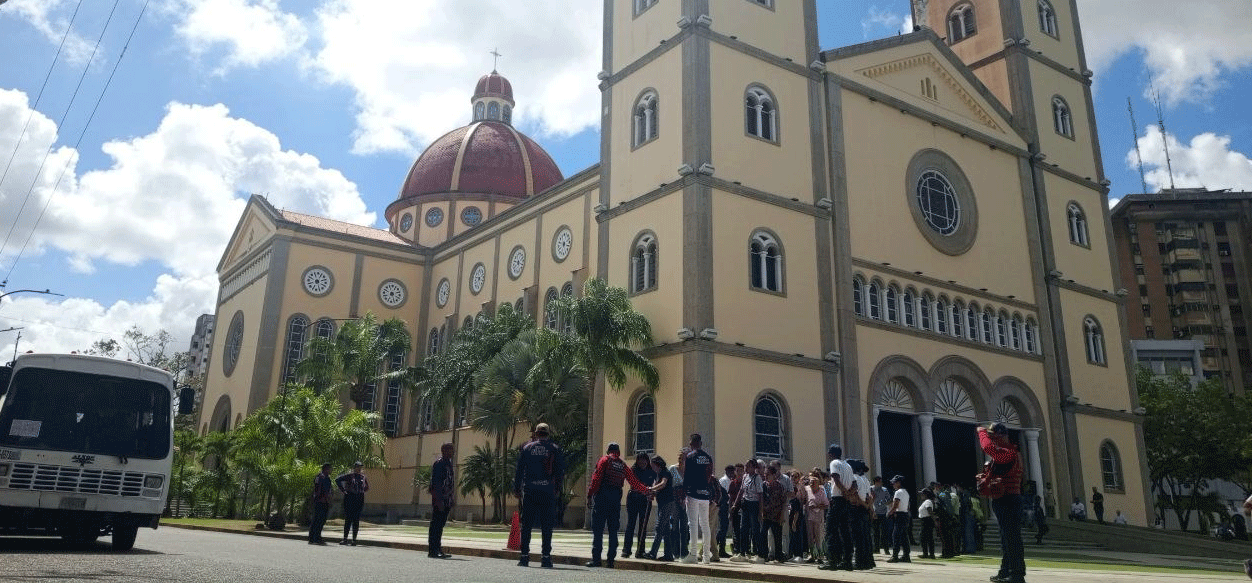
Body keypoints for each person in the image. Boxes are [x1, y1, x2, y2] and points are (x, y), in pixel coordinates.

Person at [586, 442, 653, 568]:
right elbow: (634, 482)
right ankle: (611, 560)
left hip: (602, 497)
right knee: (613, 530)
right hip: (615, 499)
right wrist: (647, 490)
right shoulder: (622, 465)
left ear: (608, 451)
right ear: (619, 452)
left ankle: (596, 560)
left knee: (598, 530)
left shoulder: (604, 460)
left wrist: (590, 495)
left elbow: (596, 478)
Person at [979, 422, 1026, 583]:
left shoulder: (1008, 453)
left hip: (1008, 499)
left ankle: (1017, 575)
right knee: (1006, 539)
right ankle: (1006, 571)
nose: (991, 440)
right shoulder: (1010, 453)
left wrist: (982, 433)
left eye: (993, 437)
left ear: (1001, 436)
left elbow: (988, 448)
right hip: (1004, 499)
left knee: (1012, 539)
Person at [514, 423, 565, 569]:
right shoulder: (554, 448)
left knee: (527, 525)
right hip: (547, 491)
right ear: (548, 433)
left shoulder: (527, 447)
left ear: (536, 433)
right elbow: (560, 471)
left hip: (530, 490)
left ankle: (524, 557)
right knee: (547, 525)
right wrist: (557, 489)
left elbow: (519, 470)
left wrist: (517, 488)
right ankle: (546, 558)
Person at [819, 444, 855, 571]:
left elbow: (836, 478)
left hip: (838, 499)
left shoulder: (834, 463)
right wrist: (849, 494)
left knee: (831, 530)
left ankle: (832, 561)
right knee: (845, 531)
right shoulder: (848, 465)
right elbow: (854, 484)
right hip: (846, 501)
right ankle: (847, 561)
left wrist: (844, 492)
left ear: (831, 454)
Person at [682, 434, 717, 564]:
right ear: (701, 443)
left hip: (693, 493)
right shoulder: (708, 458)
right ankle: (706, 557)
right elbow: (709, 476)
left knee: (692, 524)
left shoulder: (690, 456)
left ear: (692, 443)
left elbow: (687, 476)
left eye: (690, 444)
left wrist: (684, 493)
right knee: (705, 525)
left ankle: (693, 553)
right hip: (705, 494)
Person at [622, 453, 656, 559]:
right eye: (640, 460)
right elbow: (634, 484)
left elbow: (655, 484)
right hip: (634, 498)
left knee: (643, 526)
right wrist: (644, 490)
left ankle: (640, 551)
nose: (642, 462)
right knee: (631, 524)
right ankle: (626, 550)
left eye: (644, 460)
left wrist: (652, 492)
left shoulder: (651, 472)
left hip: (645, 500)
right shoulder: (633, 470)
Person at [730, 459, 763, 562]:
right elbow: (741, 491)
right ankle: (742, 553)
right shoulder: (745, 477)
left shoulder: (757, 478)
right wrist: (735, 504)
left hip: (754, 504)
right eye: (746, 466)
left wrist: (760, 511)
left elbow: (760, 494)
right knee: (743, 529)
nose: (746, 468)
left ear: (754, 467)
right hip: (745, 504)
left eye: (748, 466)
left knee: (755, 529)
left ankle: (759, 554)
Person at [428, 443, 455, 558]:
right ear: (444, 450)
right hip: (440, 500)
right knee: (436, 525)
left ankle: (438, 548)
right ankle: (433, 550)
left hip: (446, 499)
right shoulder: (439, 464)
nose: (453, 452)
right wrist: (438, 500)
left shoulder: (449, 464)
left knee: (441, 525)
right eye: (450, 450)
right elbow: (436, 484)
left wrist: (451, 498)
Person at [335, 460, 370, 546]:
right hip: (350, 498)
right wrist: (344, 490)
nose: (359, 469)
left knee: (356, 520)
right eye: (357, 467)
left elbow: (367, 487)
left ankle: (354, 540)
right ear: (354, 468)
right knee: (348, 519)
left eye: (360, 467)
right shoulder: (350, 476)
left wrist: (361, 492)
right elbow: (338, 480)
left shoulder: (362, 477)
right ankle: (345, 539)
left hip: (359, 500)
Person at [849, 459, 875, 570]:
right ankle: (868, 561)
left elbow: (856, 496)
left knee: (858, 537)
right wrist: (868, 506)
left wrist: (864, 505)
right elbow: (870, 496)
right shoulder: (864, 479)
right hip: (864, 509)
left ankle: (859, 562)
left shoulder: (854, 478)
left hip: (857, 508)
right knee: (865, 536)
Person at [759, 465, 787, 563]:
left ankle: (779, 556)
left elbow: (784, 502)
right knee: (763, 534)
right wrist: (761, 511)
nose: (766, 476)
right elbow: (761, 499)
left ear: (774, 475)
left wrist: (782, 515)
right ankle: (764, 555)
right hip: (766, 514)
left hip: (776, 515)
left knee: (777, 536)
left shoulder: (779, 486)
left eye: (768, 474)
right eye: (765, 474)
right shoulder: (763, 485)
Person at [803, 470, 828, 563]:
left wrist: (817, 506)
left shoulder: (821, 491)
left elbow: (826, 505)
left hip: (818, 517)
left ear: (818, 484)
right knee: (810, 536)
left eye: (814, 483)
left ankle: (820, 556)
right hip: (809, 517)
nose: (811, 485)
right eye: (810, 483)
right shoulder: (807, 490)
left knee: (818, 536)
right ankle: (812, 555)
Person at [886, 475, 911, 563]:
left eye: (894, 482)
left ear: (899, 483)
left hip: (899, 515)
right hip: (905, 514)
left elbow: (896, 504)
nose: (893, 484)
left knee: (895, 536)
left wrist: (890, 512)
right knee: (904, 536)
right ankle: (906, 555)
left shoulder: (898, 492)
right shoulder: (906, 492)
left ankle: (895, 556)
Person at [308, 463, 333, 545]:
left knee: (321, 520)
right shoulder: (320, 477)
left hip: (324, 501)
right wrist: (321, 498)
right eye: (330, 469)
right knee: (317, 519)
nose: (331, 470)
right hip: (320, 501)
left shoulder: (326, 478)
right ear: (326, 469)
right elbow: (318, 490)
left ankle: (316, 537)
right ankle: (313, 538)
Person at [716, 465, 735, 559]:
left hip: (727, 506)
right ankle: (718, 548)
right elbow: (723, 495)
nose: (732, 474)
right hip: (723, 507)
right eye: (731, 472)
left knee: (724, 528)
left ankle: (720, 549)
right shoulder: (723, 480)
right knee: (723, 528)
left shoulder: (729, 480)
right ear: (727, 471)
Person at [871, 476, 891, 554]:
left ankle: (886, 549)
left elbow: (889, 500)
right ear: (875, 482)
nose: (881, 483)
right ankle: (876, 549)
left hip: (883, 513)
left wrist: (885, 504)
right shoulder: (871, 489)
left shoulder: (884, 490)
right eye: (879, 482)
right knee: (875, 532)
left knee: (884, 532)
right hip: (874, 513)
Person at [917, 488, 936, 559]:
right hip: (924, 520)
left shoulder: (928, 501)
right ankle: (928, 553)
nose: (921, 495)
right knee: (926, 538)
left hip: (927, 520)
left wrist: (934, 520)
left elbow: (930, 510)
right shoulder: (925, 502)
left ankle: (928, 554)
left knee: (925, 538)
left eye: (922, 494)